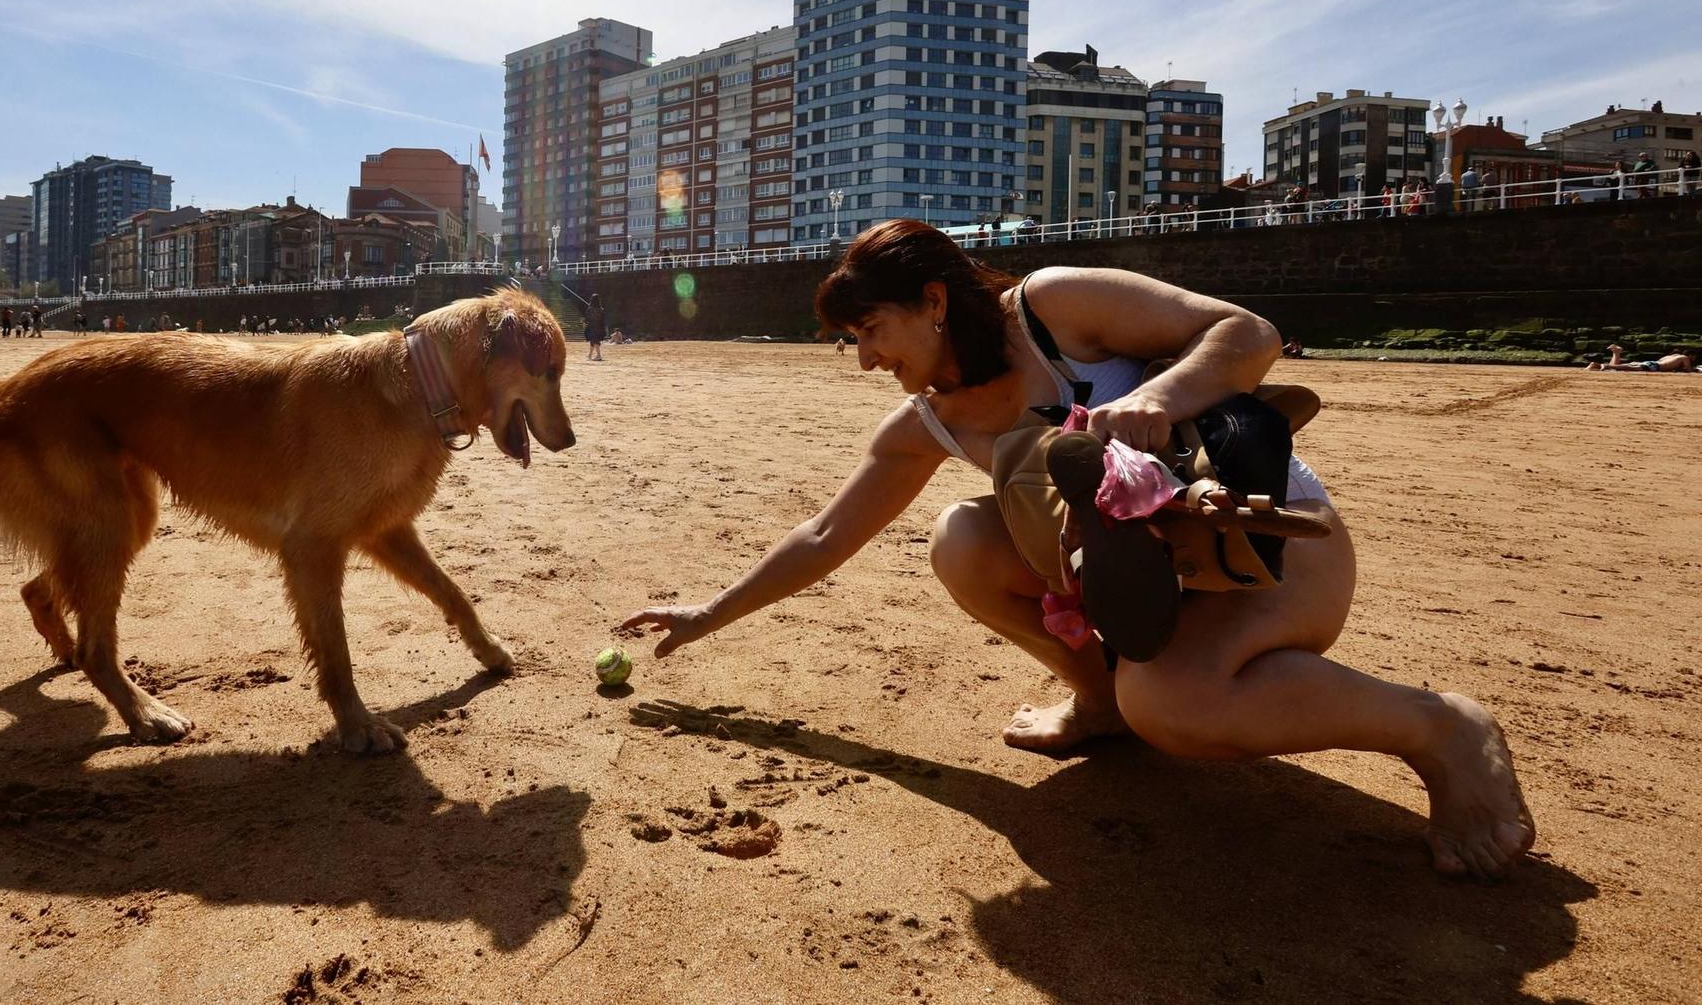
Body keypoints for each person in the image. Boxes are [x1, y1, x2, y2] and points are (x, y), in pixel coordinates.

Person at [621, 221, 1533, 879]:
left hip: (1266, 548)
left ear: (933, 302)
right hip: (1142, 588)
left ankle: (1441, 725)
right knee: (963, 538)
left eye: (869, 331)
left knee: (1170, 702)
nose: (862, 359)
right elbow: (823, 535)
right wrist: (709, 612)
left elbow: (1247, 334)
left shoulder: (1053, 309)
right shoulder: (924, 421)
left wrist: (1162, 399)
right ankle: (1100, 703)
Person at [1585, 344, 1694, 373]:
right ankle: (1604, 365)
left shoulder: (1670, 356)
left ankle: (1615, 354)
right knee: (1627, 368)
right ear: (1691, 355)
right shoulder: (1684, 357)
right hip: (1654, 366)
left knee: (1622, 367)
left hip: (1652, 363)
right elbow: (1688, 370)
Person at [585, 292, 607, 362]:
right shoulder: (601, 309)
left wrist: (585, 322)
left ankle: (598, 355)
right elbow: (603, 319)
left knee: (595, 340)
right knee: (593, 340)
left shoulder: (590, 309)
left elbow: (587, 318)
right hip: (600, 327)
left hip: (592, 327)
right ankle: (590, 355)